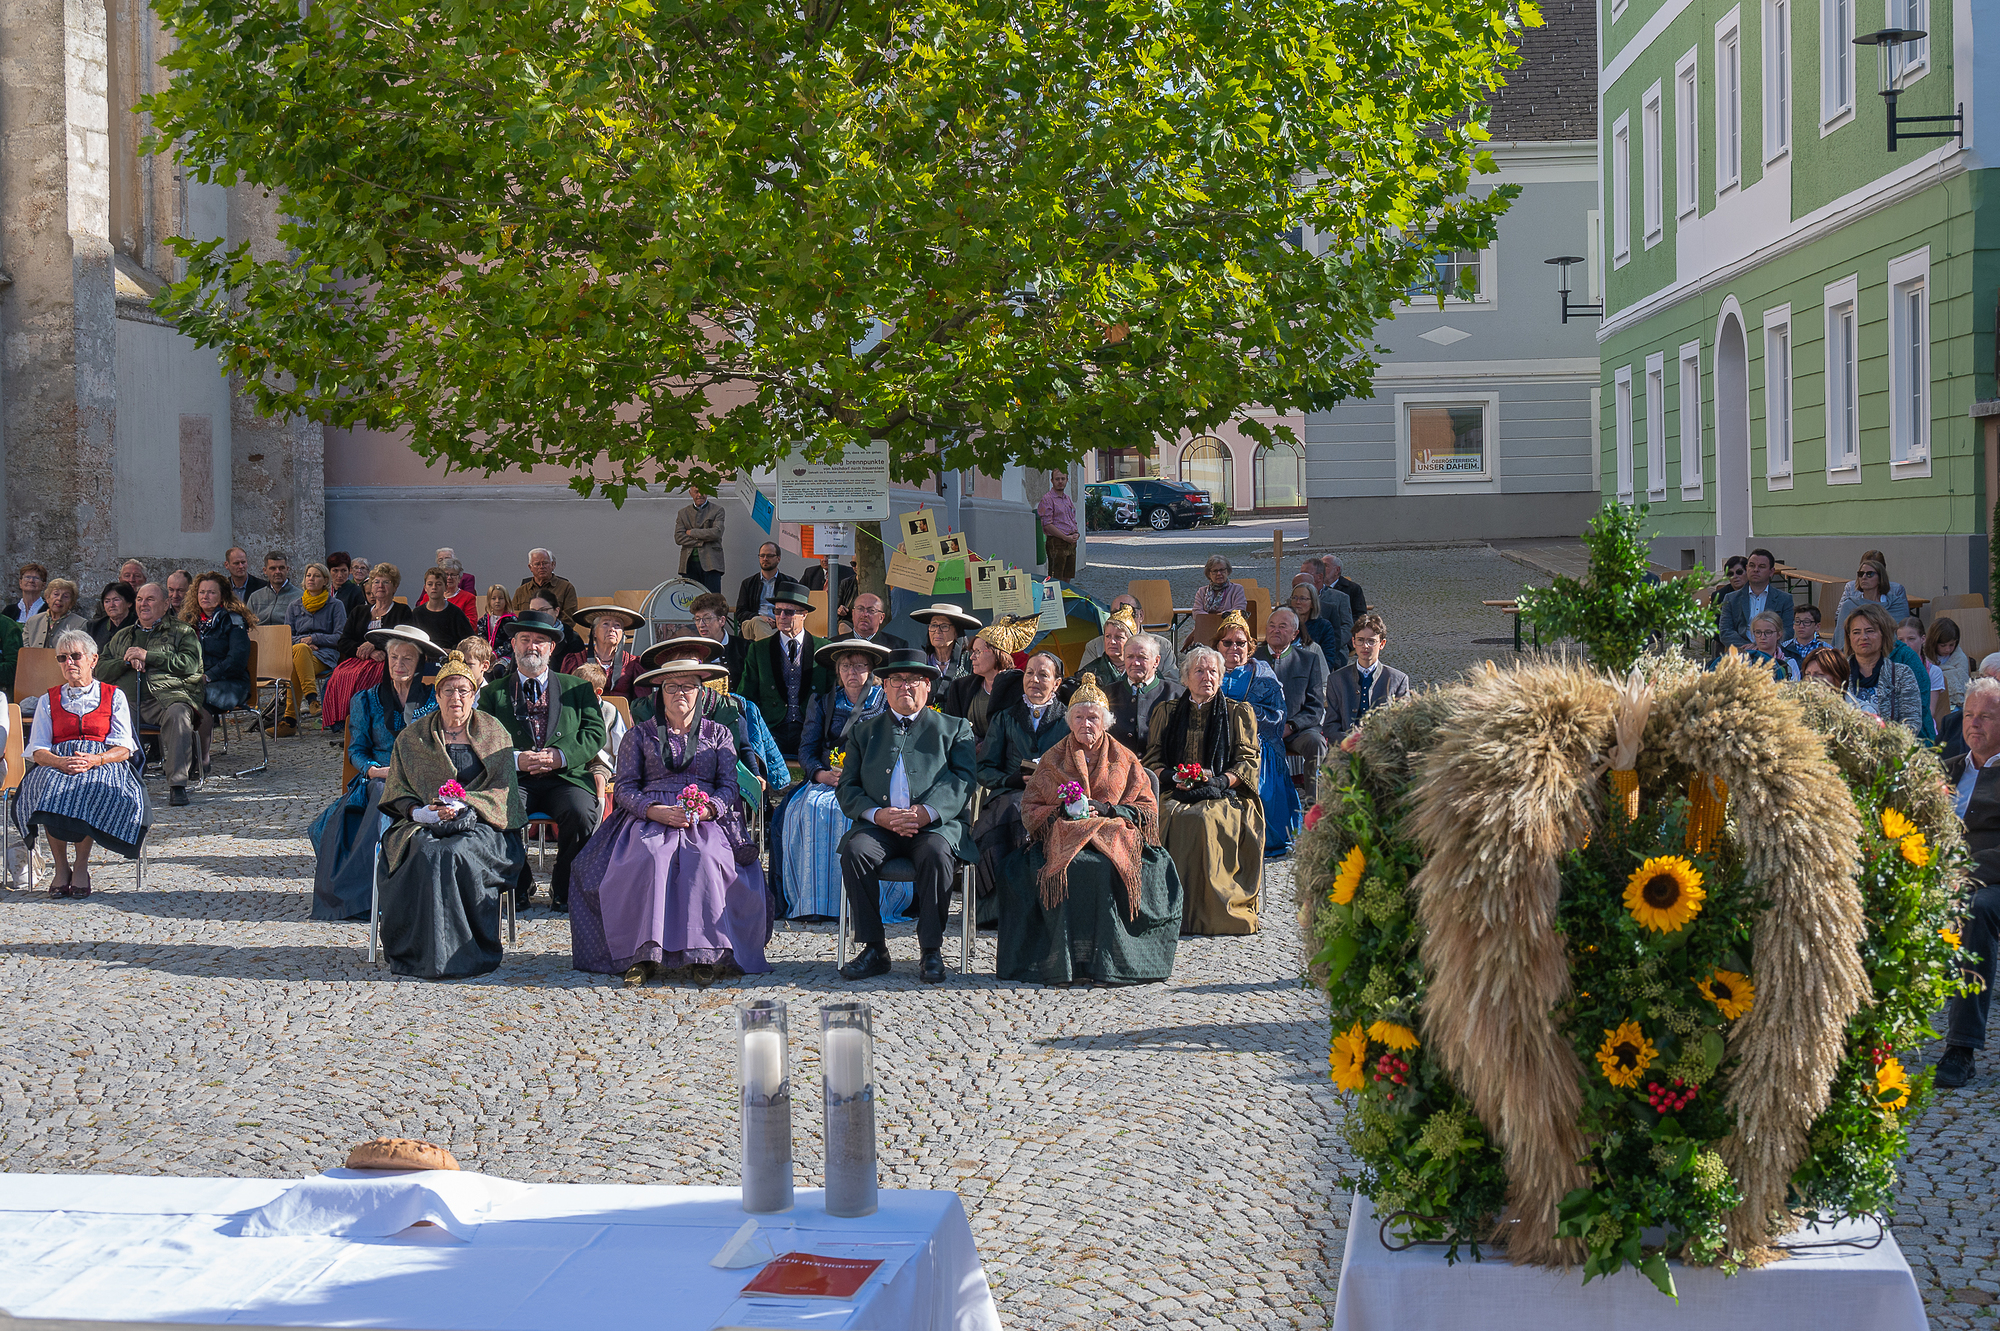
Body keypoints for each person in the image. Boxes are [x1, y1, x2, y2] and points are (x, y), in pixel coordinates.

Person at [569, 655, 770, 985]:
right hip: (649, 815)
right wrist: (654, 810)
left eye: (688, 686)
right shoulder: (639, 735)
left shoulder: (719, 734)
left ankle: (703, 953)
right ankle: (642, 954)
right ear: (660, 693)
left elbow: (729, 785)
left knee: (704, 858)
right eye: (672, 687)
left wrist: (708, 810)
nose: (680, 693)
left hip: (704, 819)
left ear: (701, 693)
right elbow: (625, 787)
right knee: (651, 856)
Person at [998, 674, 1183, 984]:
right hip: (1063, 838)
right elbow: (1030, 808)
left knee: (1103, 868)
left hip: (1115, 838)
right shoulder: (1052, 758)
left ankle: (1108, 963)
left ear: (1105, 722)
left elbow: (1147, 809)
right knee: (1065, 869)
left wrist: (1110, 810)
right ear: (1070, 722)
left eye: (1093, 717)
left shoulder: (1125, 758)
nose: (1086, 723)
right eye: (1079, 717)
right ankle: (1065, 964)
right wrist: (1060, 811)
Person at [376, 651, 526, 980]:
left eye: (463, 690)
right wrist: (420, 813)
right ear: (437, 694)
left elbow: (504, 792)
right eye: (448, 690)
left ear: (473, 695)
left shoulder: (494, 732)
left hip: (484, 826)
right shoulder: (413, 737)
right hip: (423, 824)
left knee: (455, 854)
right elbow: (397, 790)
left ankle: (466, 954)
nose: (456, 697)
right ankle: (420, 954)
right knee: (428, 853)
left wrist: (466, 803)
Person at [835, 648, 978, 984]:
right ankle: (874, 949)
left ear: (928, 686)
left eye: (914, 680)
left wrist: (926, 813)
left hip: (934, 828)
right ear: (884, 687)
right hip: (880, 828)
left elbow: (963, 780)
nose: (905, 686)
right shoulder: (863, 732)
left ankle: (931, 949)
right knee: (855, 851)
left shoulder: (954, 728)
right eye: (896, 680)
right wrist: (878, 815)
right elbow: (847, 787)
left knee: (937, 854)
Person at [477, 609, 606, 911]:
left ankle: (565, 888)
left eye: (539, 641)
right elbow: (481, 737)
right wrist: (515, 759)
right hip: (516, 778)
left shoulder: (578, 688)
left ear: (551, 648)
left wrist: (561, 756)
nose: (531, 646)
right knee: (498, 813)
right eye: (524, 639)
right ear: (514, 644)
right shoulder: (493, 693)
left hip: (565, 778)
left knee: (581, 813)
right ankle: (519, 886)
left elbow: (595, 733)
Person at [309, 627, 440, 921]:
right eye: (394, 657)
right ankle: (368, 895)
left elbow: (440, 747)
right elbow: (356, 749)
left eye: (407, 658)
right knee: (381, 792)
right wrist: (373, 769)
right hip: (377, 779)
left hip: (420, 780)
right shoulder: (365, 699)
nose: (399, 664)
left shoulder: (434, 700)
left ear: (420, 662)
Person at [15, 629, 146, 897]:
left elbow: (124, 748)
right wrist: (59, 762)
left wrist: (96, 759)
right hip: (57, 761)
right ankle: (61, 867)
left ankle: (82, 866)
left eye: (75, 656)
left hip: (103, 762)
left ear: (93, 659)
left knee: (88, 786)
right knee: (49, 788)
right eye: (62, 658)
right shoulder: (48, 699)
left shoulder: (113, 695)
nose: (69, 663)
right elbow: (38, 749)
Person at [1143, 644, 1263, 934]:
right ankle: (1168, 908)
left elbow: (1248, 761)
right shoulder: (1167, 712)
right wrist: (1172, 776)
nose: (1207, 677)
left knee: (1204, 819)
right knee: (1166, 815)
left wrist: (1220, 781)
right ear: (1185, 678)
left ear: (1221, 677)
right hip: (1175, 790)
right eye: (1199, 671)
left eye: (1213, 671)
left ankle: (1207, 912)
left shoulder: (1237, 712)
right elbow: (1152, 759)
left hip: (1225, 793)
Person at [778, 640, 894, 920]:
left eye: (859, 665)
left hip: (873, 782)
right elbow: (807, 749)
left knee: (851, 815)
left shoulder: (885, 702)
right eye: (845, 666)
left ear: (871, 669)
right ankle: (816, 901)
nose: (851, 672)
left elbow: (894, 746)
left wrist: (866, 775)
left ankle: (863, 903)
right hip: (829, 779)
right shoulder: (823, 702)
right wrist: (821, 774)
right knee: (810, 809)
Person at [972, 651, 1070, 925]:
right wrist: (1010, 779)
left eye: (1043, 675)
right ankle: (999, 909)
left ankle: (1045, 907)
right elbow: (984, 768)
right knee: (1013, 809)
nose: (1034, 680)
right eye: (1030, 673)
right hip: (1008, 795)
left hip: (1054, 799)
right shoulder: (1005, 718)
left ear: (1057, 683)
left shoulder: (1068, 720)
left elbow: (1077, 769)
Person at [1936, 677, 2000, 1088]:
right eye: (1969, 715)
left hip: (1989, 882)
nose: (1974, 724)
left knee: (1975, 911)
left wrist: (1965, 873)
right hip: (1938, 876)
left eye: (1986, 717)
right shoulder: (1947, 769)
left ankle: (1961, 1047)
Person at [95, 583, 206, 806]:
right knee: (103, 715)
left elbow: (191, 664)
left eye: (150, 599)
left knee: (178, 714)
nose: (143, 604)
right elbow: (99, 669)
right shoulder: (123, 636)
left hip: (166, 698)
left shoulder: (182, 631)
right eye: (139, 599)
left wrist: (148, 656)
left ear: (165, 604)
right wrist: (126, 661)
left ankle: (177, 785)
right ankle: (111, 782)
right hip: (128, 702)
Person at [1215, 613, 1297, 856]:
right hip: (1215, 739)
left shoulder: (1262, 673)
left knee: (1259, 764)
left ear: (1249, 646)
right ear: (1217, 645)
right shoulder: (1209, 669)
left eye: (1240, 643)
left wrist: (1240, 714)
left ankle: (1263, 837)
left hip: (1256, 740)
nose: (1234, 647)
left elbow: (1277, 714)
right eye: (1227, 642)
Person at [739, 579, 830, 755]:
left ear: (804, 614)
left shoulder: (823, 648)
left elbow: (831, 692)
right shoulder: (759, 649)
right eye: (777, 611)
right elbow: (746, 695)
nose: (781, 616)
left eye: (789, 612)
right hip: (771, 728)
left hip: (811, 727)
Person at [323, 563, 415, 733]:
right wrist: (366, 650)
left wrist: (376, 644)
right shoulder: (359, 611)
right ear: (371, 587)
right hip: (360, 659)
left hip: (388, 660)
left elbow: (404, 639)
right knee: (339, 675)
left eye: (386, 582)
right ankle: (344, 722)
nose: (380, 586)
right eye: (376, 582)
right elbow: (343, 641)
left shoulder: (402, 611)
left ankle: (369, 721)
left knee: (370, 676)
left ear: (394, 587)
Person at [180, 572, 255, 770]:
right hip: (198, 680)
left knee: (200, 697)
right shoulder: (190, 622)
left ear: (222, 595)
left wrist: (209, 676)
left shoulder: (234, 621)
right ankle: (181, 756)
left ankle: (202, 758)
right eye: (202, 592)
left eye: (211, 592)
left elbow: (237, 659)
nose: (205, 596)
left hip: (230, 681)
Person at [1258, 608, 1330, 787]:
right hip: (1260, 731)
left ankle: (1314, 800)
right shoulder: (1252, 658)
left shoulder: (1308, 660)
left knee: (1316, 742)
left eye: (1282, 626)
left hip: (1297, 731)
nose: (1276, 630)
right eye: (1272, 625)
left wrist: (1291, 726)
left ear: (1295, 634)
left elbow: (1315, 707)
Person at [282, 563, 349, 738]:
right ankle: (312, 699)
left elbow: (340, 637)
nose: (311, 579)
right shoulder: (294, 606)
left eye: (316, 576)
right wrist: (304, 642)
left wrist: (314, 638)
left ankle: (290, 721)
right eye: (308, 575)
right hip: (300, 653)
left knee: (297, 661)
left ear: (325, 581)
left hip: (324, 655)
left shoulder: (335, 605)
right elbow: (286, 636)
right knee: (300, 651)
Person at [939, 622, 1031, 740]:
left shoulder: (1021, 688)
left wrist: (989, 745)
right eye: (972, 652)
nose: (972, 657)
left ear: (997, 653)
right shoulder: (960, 688)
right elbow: (952, 728)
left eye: (978, 651)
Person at [1329, 614, 1411, 743]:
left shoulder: (1398, 680)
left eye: (1371, 641)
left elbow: (1404, 723)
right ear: (1353, 642)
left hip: (1383, 748)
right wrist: (1349, 742)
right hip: (1346, 748)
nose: (1365, 646)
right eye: (1360, 640)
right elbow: (1331, 725)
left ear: (1382, 644)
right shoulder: (1336, 679)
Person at [1842, 603, 1924, 733]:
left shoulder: (1902, 674)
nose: (1863, 637)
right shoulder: (1838, 672)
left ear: (1883, 634)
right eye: (1856, 632)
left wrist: (1883, 740)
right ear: (1849, 637)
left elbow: (1912, 723)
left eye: (1870, 631)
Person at [1108, 633, 1181, 755]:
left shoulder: (1177, 695)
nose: (1135, 663)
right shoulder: (1107, 695)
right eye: (1130, 657)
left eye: (1142, 657)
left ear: (1156, 661)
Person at [1717, 548, 1795, 648]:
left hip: (1771, 652)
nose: (1755, 570)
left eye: (1761, 567)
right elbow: (1725, 631)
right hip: (1742, 651)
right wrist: (1748, 647)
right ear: (1747, 568)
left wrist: (1764, 647)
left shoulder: (1784, 599)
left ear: (1771, 572)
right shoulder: (1731, 599)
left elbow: (1788, 631)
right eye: (1752, 566)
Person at [561, 605, 643, 695]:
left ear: (622, 633)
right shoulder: (575, 661)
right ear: (594, 632)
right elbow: (565, 695)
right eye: (605, 624)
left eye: (617, 625)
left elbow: (641, 699)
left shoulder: (632, 664)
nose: (612, 629)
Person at [685, 593, 750, 695]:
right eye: (697, 619)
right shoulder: (693, 651)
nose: (701, 625)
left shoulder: (744, 647)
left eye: (707, 618)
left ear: (722, 621)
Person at [1898, 616, 1950, 729]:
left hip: (1922, 727)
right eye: (1901, 640)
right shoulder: (1891, 669)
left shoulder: (1933, 672)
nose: (1905, 644)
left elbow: (1929, 711)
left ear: (1923, 639)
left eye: (1911, 639)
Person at [1835, 554, 1912, 630]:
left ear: (1880, 578)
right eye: (1861, 574)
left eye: (1869, 574)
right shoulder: (1849, 605)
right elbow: (1841, 635)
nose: (1864, 577)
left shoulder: (1896, 604)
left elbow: (1902, 632)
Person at [674, 486, 727, 594]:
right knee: (691, 599)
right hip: (688, 565)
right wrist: (703, 540)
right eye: (697, 492)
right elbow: (679, 538)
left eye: (703, 491)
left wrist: (692, 532)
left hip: (711, 563)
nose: (700, 495)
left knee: (712, 599)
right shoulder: (683, 513)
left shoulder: (717, 510)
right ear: (690, 493)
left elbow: (716, 533)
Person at [1289, 581, 1351, 673]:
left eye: (1303, 598)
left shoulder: (1323, 626)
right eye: (1294, 598)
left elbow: (1328, 658)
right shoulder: (1285, 624)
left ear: (1313, 603)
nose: (1297, 602)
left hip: (1314, 672)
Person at [410, 566, 475, 650]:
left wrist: (452, 650)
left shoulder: (456, 613)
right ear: (425, 588)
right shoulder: (417, 613)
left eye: (438, 584)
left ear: (445, 587)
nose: (434, 587)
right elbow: (411, 641)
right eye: (430, 584)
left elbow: (469, 640)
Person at [910, 603, 980, 680]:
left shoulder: (971, 662)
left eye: (944, 626)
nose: (937, 631)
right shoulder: (921, 663)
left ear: (956, 632)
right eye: (933, 625)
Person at [510, 547, 580, 625]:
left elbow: (569, 618)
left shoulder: (566, 588)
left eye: (545, 563)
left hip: (556, 631)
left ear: (553, 565)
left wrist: (550, 629)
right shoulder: (521, 591)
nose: (541, 567)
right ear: (530, 567)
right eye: (537, 564)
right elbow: (514, 616)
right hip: (528, 630)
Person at [23, 579, 88, 652]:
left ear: (71, 603)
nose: (59, 599)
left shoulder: (81, 624)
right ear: (47, 598)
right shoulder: (32, 621)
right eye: (56, 594)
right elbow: (25, 650)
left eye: (65, 596)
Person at [1038, 472, 1079, 581]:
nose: (1060, 482)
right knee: (1056, 578)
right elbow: (1047, 524)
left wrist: (1076, 533)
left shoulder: (1067, 499)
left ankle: (1065, 593)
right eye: (1057, 479)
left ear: (1067, 480)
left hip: (1070, 542)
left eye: (1063, 479)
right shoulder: (1047, 499)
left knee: (1068, 576)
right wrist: (1065, 537)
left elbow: (1072, 519)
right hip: (1056, 542)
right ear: (1052, 481)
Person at [735, 541, 785, 626]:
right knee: (758, 625)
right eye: (762, 555)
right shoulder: (748, 583)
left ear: (778, 559)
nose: (765, 559)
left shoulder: (789, 583)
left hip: (780, 625)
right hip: (755, 624)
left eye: (769, 555)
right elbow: (740, 612)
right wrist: (759, 618)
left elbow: (794, 611)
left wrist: (777, 623)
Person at [246, 552, 301, 623]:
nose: (277, 572)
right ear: (265, 570)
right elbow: (247, 623)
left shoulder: (299, 598)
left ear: (287, 569)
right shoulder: (255, 598)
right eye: (273, 568)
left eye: (281, 568)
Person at [1931, 617, 1971, 716]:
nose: (1947, 649)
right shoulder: (1925, 658)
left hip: (1956, 703)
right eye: (1943, 645)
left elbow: (1963, 681)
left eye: (1951, 645)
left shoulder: (1960, 657)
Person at [89, 581, 137, 651]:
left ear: (129, 603)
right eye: (107, 601)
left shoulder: (138, 625)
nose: (111, 605)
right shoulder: (94, 627)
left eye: (116, 600)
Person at [1320, 556, 1368, 624]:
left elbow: (1360, 616)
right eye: (1319, 566)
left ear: (1337, 570)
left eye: (1325, 566)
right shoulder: (1315, 587)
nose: (1320, 569)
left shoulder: (1352, 588)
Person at [476, 585, 516, 657]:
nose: (497, 601)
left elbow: (510, 641)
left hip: (506, 655)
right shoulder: (484, 620)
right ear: (489, 601)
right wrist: (485, 651)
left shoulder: (511, 620)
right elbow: (481, 637)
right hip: (486, 654)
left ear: (506, 600)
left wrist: (496, 654)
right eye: (493, 598)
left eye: (501, 598)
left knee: (499, 665)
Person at [327, 552, 364, 618]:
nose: (339, 575)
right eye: (335, 571)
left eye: (343, 570)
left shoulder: (357, 592)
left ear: (349, 571)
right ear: (329, 571)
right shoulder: (325, 591)